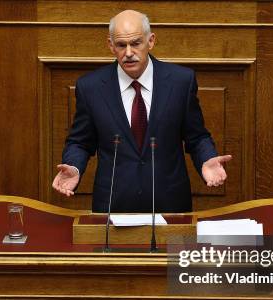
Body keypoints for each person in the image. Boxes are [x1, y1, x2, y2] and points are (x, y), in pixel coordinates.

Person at [52, 9, 232, 213]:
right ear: (111, 45)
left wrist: (207, 159)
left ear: (151, 41)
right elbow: (80, 142)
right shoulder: (91, 87)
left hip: (170, 205)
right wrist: (73, 167)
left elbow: (197, 136)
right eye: (121, 45)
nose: (128, 53)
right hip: (113, 207)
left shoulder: (181, 82)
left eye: (136, 43)